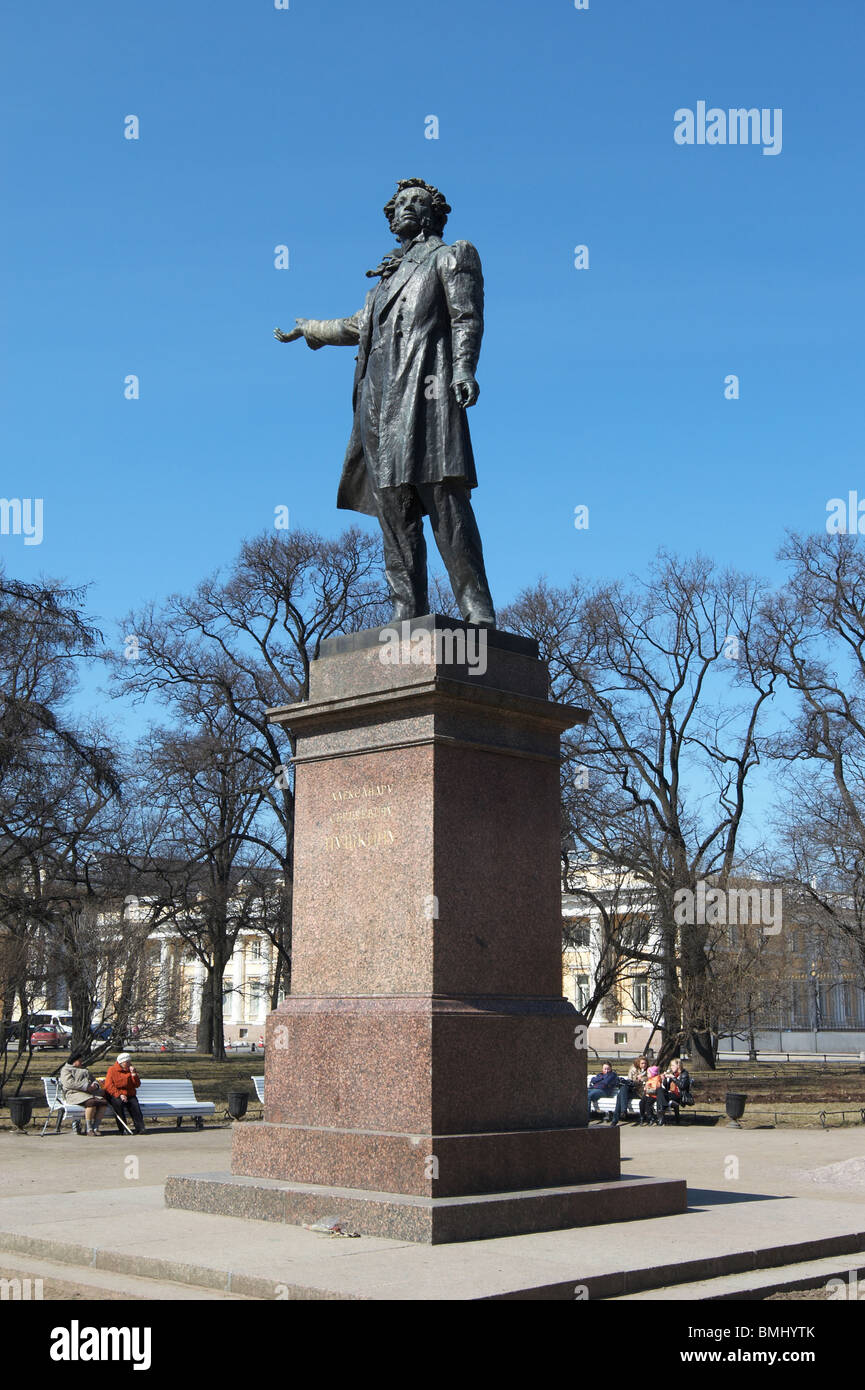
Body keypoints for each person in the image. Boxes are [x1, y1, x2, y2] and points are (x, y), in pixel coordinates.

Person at [275, 178, 496, 627]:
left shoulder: (451, 255)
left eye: (416, 202)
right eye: (398, 204)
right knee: (393, 505)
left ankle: (476, 608)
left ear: (434, 214)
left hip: (425, 389)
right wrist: (310, 329)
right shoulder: (381, 284)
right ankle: (406, 607)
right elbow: (355, 327)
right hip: (377, 404)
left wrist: (466, 368)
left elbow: (466, 317)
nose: (405, 209)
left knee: (444, 498)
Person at [59, 1054, 108, 1136]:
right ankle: (89, 1128)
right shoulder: (66, 1070)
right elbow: (69, 1084)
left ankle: (95, 1127)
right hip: (73, 1093)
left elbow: (93, 1079)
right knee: (91, 1102)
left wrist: (95, 1085)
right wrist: (86, 1086)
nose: (82, 1062)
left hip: (88, 1093)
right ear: (74, 1061)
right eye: (80, 1061)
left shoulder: (85, 1069)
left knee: (103, 1102)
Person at [102, 1053, 145, 1135]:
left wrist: (134, 1075)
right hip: (116, 1094)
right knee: (118, 1104)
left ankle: (140, 1127)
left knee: (135, 1106)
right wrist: (119, 1095)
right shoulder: (112, 1070)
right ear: (121, 1062)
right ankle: (123, 1128)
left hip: (129, 1094)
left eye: (129, 1062)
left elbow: (137, 1085)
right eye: (127, 1062)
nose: (129, 1064)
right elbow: (108, 1085)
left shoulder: (131, 1070)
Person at [610, 1055, 649, 1126]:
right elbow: (629, 1081)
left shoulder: (649, 1071)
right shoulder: (633, 1069)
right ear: (638, 1063)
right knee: (623, 1089)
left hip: (641, 1093)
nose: (644, 1065)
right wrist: (636, 1079)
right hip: (632, 1090)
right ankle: (623, 1112)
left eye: (645, 1063)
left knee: (620, 1095)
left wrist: (642, 1078)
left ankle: (616, 1118)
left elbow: (649, 1079)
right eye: (642, 1063)